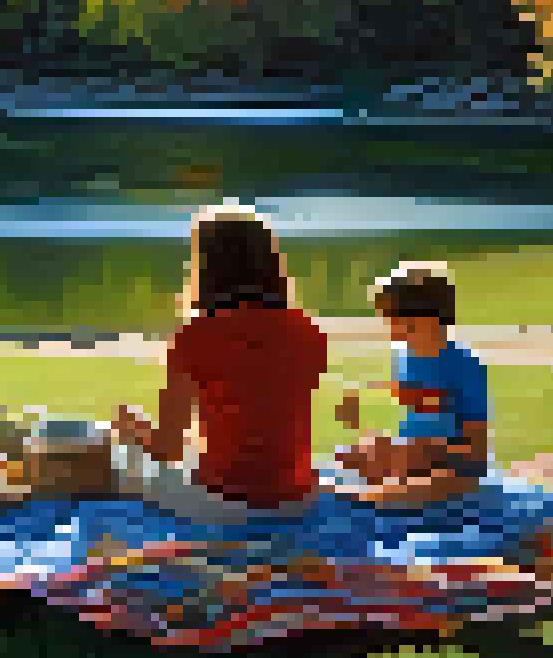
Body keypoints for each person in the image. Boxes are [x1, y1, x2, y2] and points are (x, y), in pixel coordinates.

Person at [112, 203, 328, 525]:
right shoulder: (309, 331)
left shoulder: (194, 337)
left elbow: (166, 450)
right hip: (299, 501)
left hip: (225, 504)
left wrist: (132, 428)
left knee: (113, 459)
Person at [333, 262, 491, 506]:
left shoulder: (465, 366)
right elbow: (417, 412)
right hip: (412, 459)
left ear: (428, 319)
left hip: (451, 467)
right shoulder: (405, 357)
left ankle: (382, 497)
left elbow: (477, 455)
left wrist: (424, 452)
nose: (389, 329)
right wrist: (374, 435)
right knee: (349, 455)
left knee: (446, 483)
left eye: (394, 319)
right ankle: (389, 492)